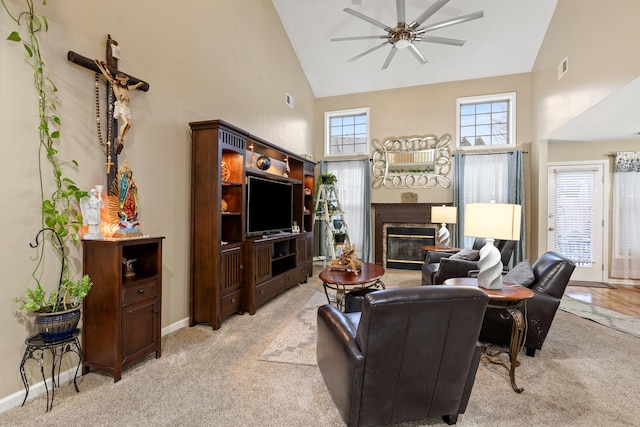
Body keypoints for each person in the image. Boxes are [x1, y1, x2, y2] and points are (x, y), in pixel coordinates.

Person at [95, 59, 144, 154]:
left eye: (126, 81)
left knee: (129, 125)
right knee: (125, 123)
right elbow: (108, 77)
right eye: (123, 81)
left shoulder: (126, 88)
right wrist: (100, 66)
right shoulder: (116, 87)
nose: (125, 83)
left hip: (127, 108)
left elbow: (133, 87)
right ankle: (119, 138)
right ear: (120, 81)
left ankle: (122, 139)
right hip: (121, 106)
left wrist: (138, 84)